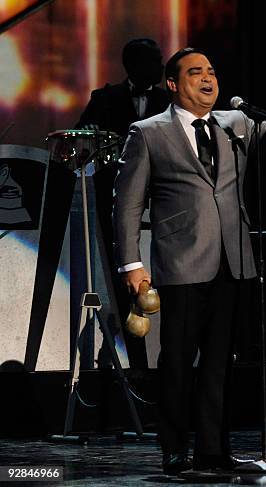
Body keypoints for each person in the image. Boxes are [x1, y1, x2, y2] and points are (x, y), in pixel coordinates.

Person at [113, 47, 266, 475]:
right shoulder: (148, 132)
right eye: (196, 73)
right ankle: (175, 449)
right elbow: (126, 204)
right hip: (181, 261)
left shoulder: (236, 124)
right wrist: (131, 265)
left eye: (211, 71)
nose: (208, 79)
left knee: (219, 363)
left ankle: (214, 449)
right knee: (177, 360)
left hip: (233, 258)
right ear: (173, 84)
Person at [76, 38, 170, 370]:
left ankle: (169, 364)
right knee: (125, 283)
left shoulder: (169, 99)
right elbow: (78, 140)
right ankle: (137, 366)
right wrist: (87, 133)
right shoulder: (104, 99)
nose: (161, 66)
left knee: (164, 283)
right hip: (116, 204)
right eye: (154, 60)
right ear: (132, 65)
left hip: (162, 204)